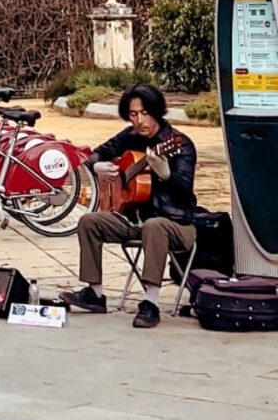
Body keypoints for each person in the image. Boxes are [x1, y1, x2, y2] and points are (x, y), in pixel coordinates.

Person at [59, 84, 197, 329]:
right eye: (133, 114)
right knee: (89, 221)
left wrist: (166, 174)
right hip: (135, 221)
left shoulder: (179, 144)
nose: (139, 120)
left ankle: (151, 302)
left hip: (177, 223)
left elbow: (185, 190)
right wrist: (96, 167)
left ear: (157, 112)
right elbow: (95, 154)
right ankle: (96, 294)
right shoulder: (129, 137)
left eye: (145, 113)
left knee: (155, 226)